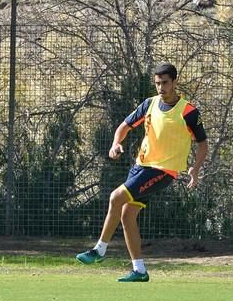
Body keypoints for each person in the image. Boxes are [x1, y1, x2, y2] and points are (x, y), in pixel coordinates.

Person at [76, 63, 208, 282]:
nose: (161, 87)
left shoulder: (188, 112)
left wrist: (195, 169)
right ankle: (139, 270)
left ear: (175, 82)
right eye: (157, 83)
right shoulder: (149, 104)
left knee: (116, 197)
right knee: (127, 215)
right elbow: (124, 126)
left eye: (165, 83)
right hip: (140, 167)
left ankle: (99, 250)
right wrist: (115, 144)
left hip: (163, 170)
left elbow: (203, 144)